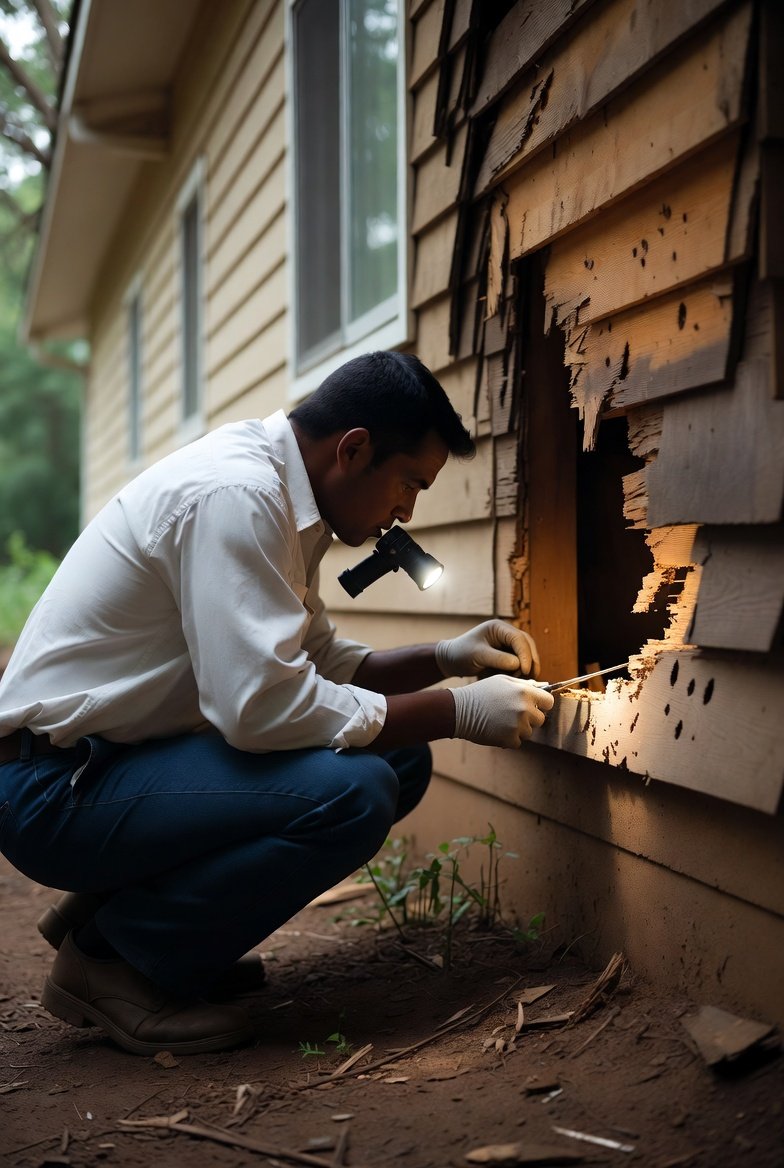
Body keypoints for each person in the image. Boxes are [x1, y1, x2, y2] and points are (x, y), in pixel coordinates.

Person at [0, 351, 554, 1056]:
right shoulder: (236, 496)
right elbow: (260, 710)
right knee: (353, 792)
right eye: (410, 483)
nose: (407, 513)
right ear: (354, 449)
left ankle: (129, 914)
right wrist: (458, 712)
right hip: (51, 788)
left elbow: (314, 660)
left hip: (107, 762)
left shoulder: (286, 498)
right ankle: (117, 960)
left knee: (399, 755)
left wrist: (442, 659)